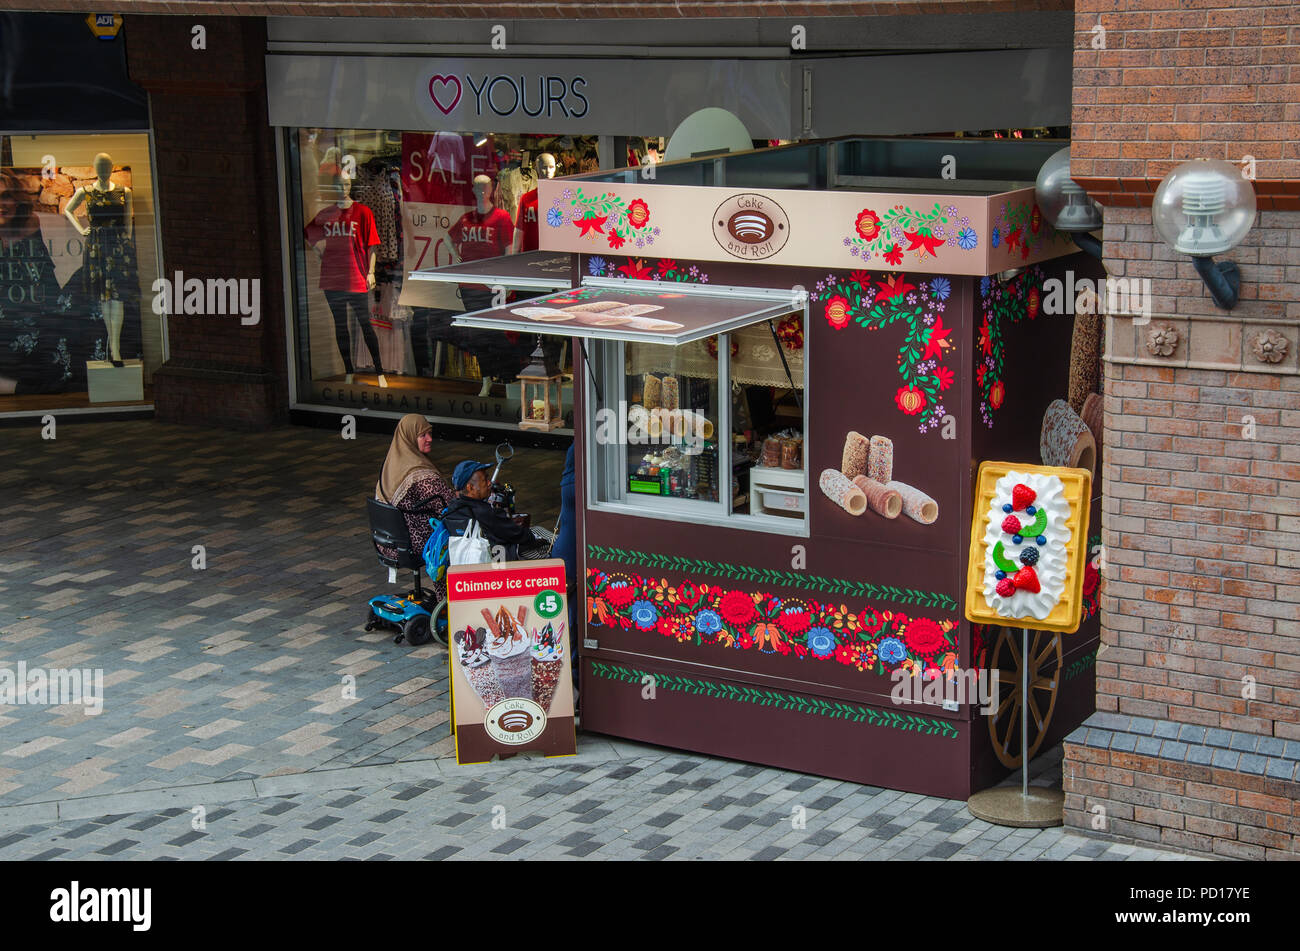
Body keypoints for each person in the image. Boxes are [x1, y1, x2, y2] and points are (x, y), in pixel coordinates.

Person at [374, 414, 454, 563]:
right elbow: (449, 508)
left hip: (387, 541)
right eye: (423, 435)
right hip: (414, 543)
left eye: (429, 433)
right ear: (409, 438)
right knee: (462, 537)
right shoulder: (422, 476)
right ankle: (450, 586)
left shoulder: (391, 464)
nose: (429, 439)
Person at [441, 459, 551, 560]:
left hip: (478, 555)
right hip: (503, 556)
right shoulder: (484, 511)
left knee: (537, 530)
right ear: (470, 488)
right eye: (484, 480)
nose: (489, 483)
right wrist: (536, 539)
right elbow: (517, 535)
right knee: (554, 543)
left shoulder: (453, 508)